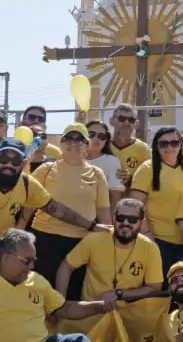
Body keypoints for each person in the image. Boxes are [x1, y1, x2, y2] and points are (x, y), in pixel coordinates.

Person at [30, 123, 111, 299]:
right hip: (45, 238)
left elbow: (103, 212)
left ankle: (67, 327)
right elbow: (28, 205)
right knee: (42, 293)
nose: (74, 143)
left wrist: (108, 242)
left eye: (79, 139)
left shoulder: (97, 174)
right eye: (69, 138)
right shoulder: (46, 169)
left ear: (87, 145)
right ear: (61, 143)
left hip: (81, 241)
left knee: (74, 293)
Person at [56, 198, 164, 303]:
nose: (125, 223)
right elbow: (66, 266)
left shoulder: (150, 248)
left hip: (129, 314)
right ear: (113, 219)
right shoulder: (94, 240)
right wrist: (60, 303)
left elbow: (154, 288)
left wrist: (119, 293)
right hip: (92, 311)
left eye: (132, 219)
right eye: (121, 218)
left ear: (141, 223)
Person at [130, 126, 183, 273]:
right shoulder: (146, 169)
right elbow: (135, 207)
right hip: (158, 241)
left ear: (180, 144)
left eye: (174, 143)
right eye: (163, 144)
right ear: (156, 146)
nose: (170, 147)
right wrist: (148, 236)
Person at [107, 104, 151, 190]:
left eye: (131, 120)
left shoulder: (144, 149)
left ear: (136, 124)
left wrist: (131, 179)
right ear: (111, 121)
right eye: (121, 119)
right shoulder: (103, 146)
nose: (127, 123)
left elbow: (150, 179)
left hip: (133, 201)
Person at [83, 119, 125, 209]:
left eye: (102, 136)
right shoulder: (72, 158)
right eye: (91, 134)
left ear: (107, 140)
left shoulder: (112, 161)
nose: (96, 138)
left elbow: (115, 198)